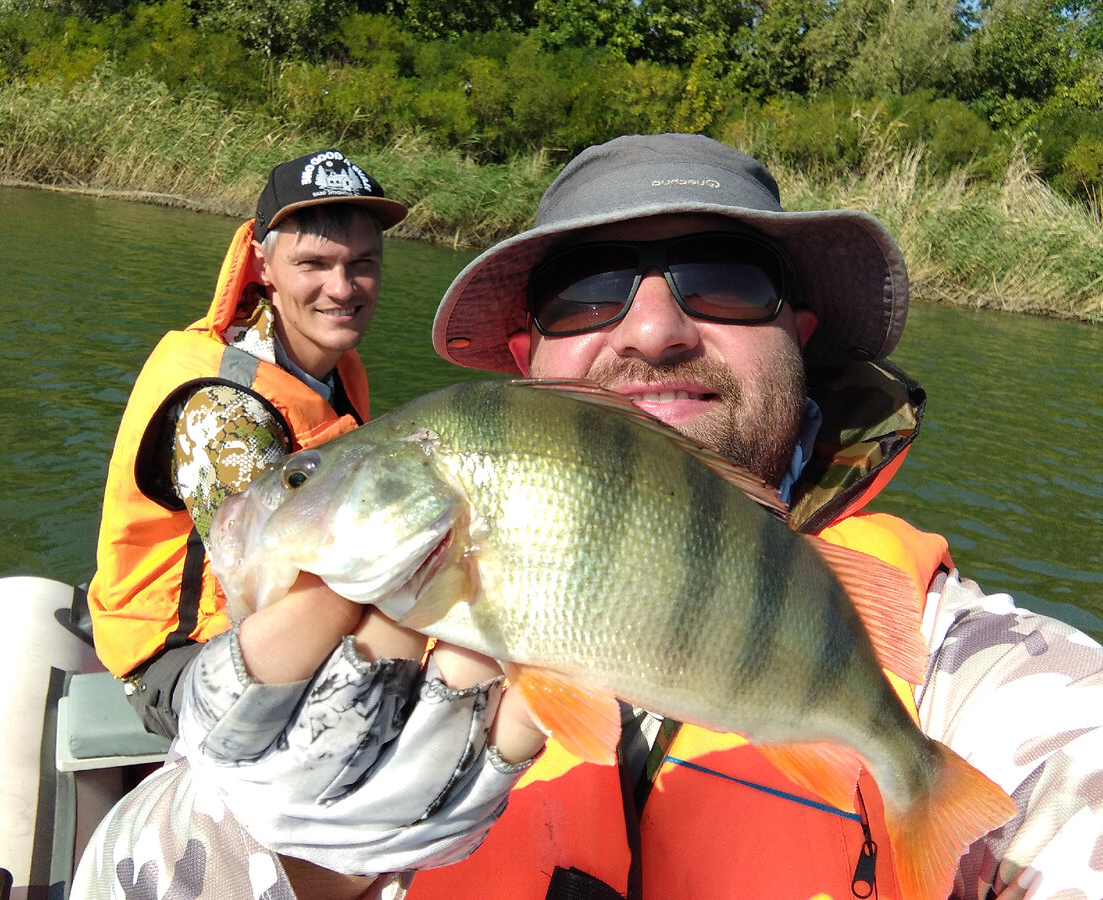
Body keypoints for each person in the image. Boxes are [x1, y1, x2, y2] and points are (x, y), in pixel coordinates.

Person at [75, 134, 1103, 900]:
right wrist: (278, 843)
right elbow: (129, 871)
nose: (653, 330)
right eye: (588, 292)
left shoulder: (979, 671)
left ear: (799, 333)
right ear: (524, 361)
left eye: (725, 282)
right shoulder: (377, 623)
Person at [86, 148, 410, 738]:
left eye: (363, 263)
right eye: (313, 263)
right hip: (183, 663)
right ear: (262, 263)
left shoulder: (327, 364)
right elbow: (270, 598)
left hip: (282, 623)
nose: (342, 288)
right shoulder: (226, 411)